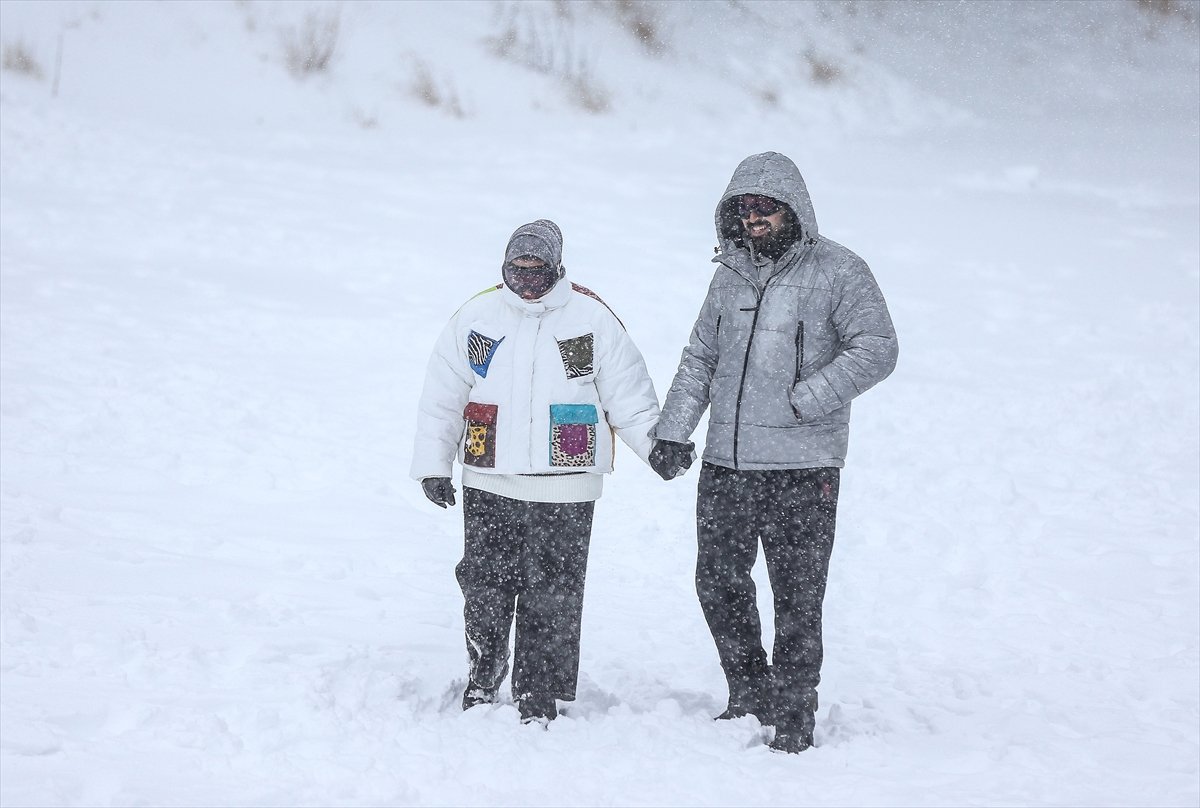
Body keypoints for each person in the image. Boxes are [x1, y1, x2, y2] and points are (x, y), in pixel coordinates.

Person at [647, 152, 898, 753]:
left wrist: (807, 399)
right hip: (726, 463)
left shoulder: (840, 271)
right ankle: (749, 690)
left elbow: (878, 347)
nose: (754, 216)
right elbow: (700, 358)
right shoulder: (728, 274)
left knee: (797, 592)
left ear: (794, 210)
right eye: (744, 207)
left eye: (766, 206)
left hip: (802, 467)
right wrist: (673, 430)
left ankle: (794, 710)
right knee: (718, 582)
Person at [411, 219, 660, 725]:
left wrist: (657, 449)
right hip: (489, 476)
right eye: (516, 268)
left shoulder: (590, 319)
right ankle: (484, 676)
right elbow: (443, 397)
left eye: (536, 269)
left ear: (558, 268)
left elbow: (628, 396)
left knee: (555, 592)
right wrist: (434, 465)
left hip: (566, 484)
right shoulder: (478, 316)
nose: (525, 279)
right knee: (484, 584)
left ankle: (538, 690)